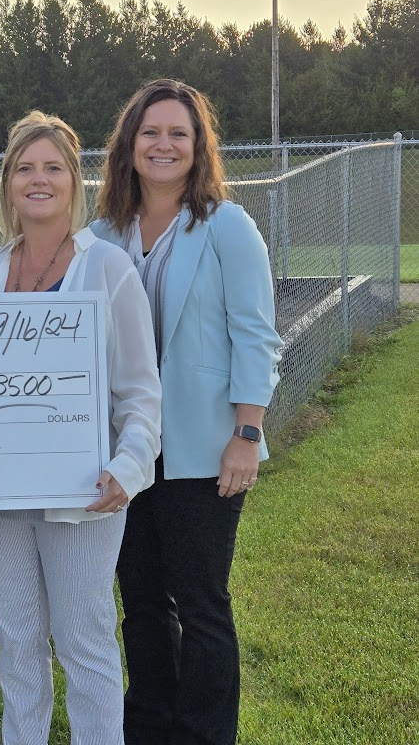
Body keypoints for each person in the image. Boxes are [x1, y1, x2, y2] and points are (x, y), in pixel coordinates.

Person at [0, 110, 162, 744]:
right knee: (18, 644)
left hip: (83, 492)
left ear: (74, 182)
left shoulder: (108, 269)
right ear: (7, 184)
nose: (38, 180)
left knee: (86, 642)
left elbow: (140, 392)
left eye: (52, 168)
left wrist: (128, 468)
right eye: (24, 168)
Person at [89, 78, 283, 745]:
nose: (163, 144)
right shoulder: (101, 235)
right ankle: (148, 728)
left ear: (197, 146)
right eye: (150, 133)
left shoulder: (225, 225)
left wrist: (245, 433)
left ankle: (203, 734)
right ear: (129, 145)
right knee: (139, 606)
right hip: (126, 453)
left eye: (178, 132)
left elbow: (254, 335)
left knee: (201, 607)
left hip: (205, 449)